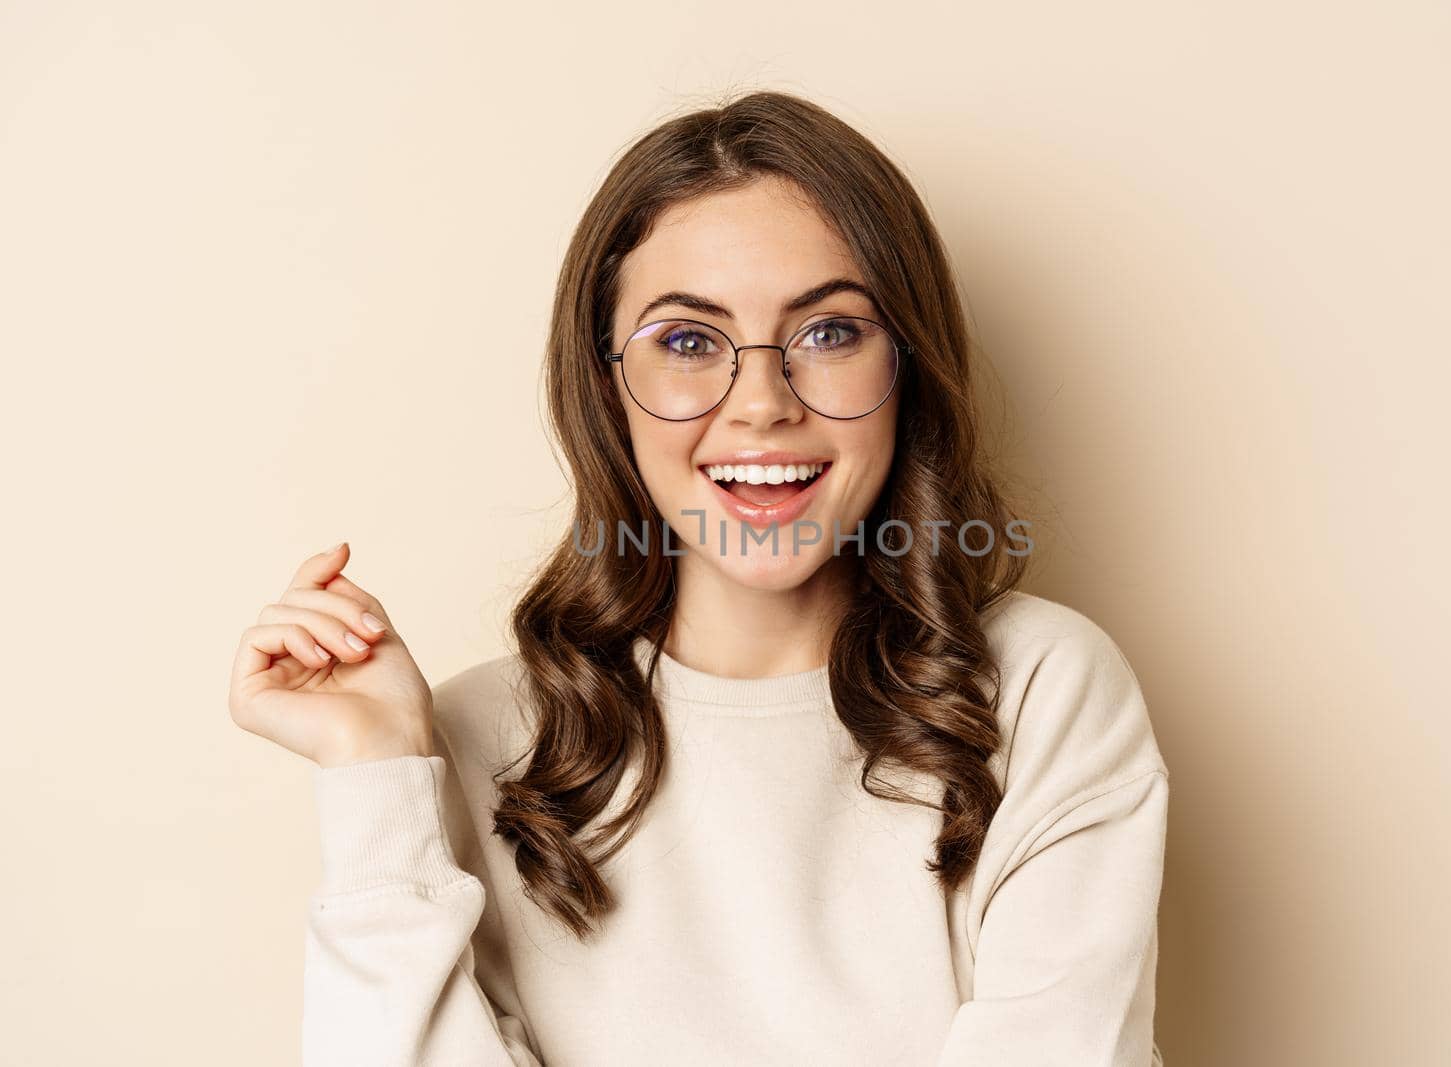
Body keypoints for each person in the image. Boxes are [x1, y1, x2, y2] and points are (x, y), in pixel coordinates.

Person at [228, 90, 1170, 1066]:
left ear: (909, 367)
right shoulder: (471, 739)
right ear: (604, 386)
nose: (760, 403)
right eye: (686, 341)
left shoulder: (1038, 688)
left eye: (829, 332)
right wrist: (378, 774)